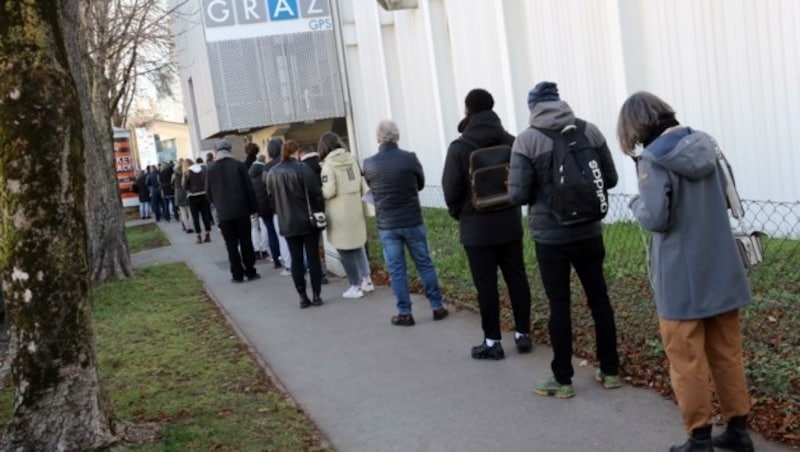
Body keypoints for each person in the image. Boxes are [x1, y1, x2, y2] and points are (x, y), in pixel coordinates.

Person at [617, 91, 754, 452]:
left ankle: (700, 438)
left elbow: (655, 219)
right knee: (727, 352)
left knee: (686, 360)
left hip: (681, 278)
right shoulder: (707, 144)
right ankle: (738, 431)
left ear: (633, 125)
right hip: (722, 268)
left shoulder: (652, 160)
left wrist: (635, 201)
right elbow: (729, 195)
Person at [508, 81, 620, 399]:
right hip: (589, 231)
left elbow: (518, 195)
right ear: (560, 102)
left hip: (550, 237)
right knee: (600, 299)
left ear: (533, 108)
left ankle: (563, 379)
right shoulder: (590, 131)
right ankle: (610, 371)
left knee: (560, 306)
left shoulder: (526, 141)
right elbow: (609, 178)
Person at [442, 88, 532, 359]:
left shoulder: (459, 147)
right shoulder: (512, 142)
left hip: (477, 230)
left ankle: (492, 342)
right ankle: (523, 334)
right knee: (517, 279)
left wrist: (464, 214)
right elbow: (524, 180)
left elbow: (451, 191)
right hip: (509, 223)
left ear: (467, 111)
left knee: (486, 286)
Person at [363, 120, 448, 326]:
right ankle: (437, 307)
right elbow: (419, 184)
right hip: (411, 219)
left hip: (388, 224)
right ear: (397, 136)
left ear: (378, 139)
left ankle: (405, 313)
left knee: (397, 270)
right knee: (424, 264)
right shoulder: (410, 158)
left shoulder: (369, 163)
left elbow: (373, 187)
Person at [266, 140, 325, 308]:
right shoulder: (302, 169)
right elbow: (315, 191)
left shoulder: (272, 173)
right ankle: (316, 294)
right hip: (307, 219)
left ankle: (302, 295)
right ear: (296, 152)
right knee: (313, 257)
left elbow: (270, 196)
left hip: (287, 221)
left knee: (296, 260)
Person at [318, 132, 374, 299]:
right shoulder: (352, 158)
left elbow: (329, 191)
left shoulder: (328, 165)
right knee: (358, 245)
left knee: (344, 249)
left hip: (339, 212)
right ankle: (367, 280)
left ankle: (354, 286)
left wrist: (318, 192)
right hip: (355, 206)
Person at [206, 139, 260, 283]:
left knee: (231, 245)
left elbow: (208, 192)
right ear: (230, 150)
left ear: (216, 151)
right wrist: (253, 208)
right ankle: (250, 271)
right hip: (242, 210)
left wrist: (217, 203)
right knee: (246, 242)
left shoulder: (211, 169)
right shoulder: (238, 165)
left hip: (224, 213)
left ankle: (237, 274)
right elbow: (249, 188)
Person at [300, 144, 329, 285]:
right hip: (330, 205)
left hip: (313, 211)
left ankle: (318, 271)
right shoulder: (324, 162)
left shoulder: (303, 168)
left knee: (313, 246)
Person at [263, 138, 285, 270]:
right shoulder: (290, 163)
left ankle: (281, 261)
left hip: (275, 207)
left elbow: (266, 188)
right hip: (292, 205)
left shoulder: (267, 168)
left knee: (277, 235)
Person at [184, 157, 213, 244]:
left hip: (193, 196)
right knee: (205, 215)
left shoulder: (187, 172)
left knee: (195, 217)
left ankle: (199, 236)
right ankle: (208, 234)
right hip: (203, 194)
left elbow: (185, 186)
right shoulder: (201, 170)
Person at [248, 151, 271, 260]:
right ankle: (264, 249)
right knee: (264, 227)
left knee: (254, 228)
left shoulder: (249, 173)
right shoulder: (265, 172)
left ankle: (256, 249)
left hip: (252, 205)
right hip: (263, 205)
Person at [174, 159, 193, 233]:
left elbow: (173, 183)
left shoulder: (175, 172)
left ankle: (187, 228)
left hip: (178, 192)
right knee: (190, 211)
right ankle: (191, 226)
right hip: (186, 192)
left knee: (183, 212)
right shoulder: (187, 171)